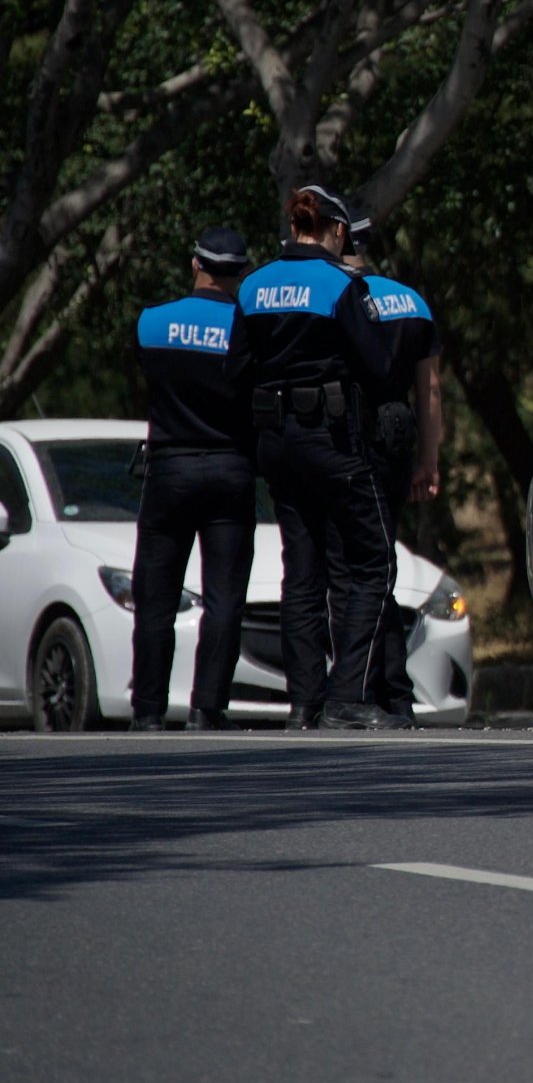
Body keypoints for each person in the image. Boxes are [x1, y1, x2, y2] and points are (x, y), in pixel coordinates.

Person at [226, 184, 403, 731]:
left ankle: (305, 702)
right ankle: (348, 694)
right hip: (336, 444)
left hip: (277, 447)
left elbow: (235, 372)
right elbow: (377, 368)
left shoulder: (252, 286)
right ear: (338, 231)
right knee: (374, 562)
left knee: (301, 575)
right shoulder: (338, 284)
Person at [129, 229, 257, 731]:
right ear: (239, 275)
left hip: (169, 470)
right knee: (224, 596)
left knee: (156, 595)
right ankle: (208, 708)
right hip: (231, 469)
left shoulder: (151, 322)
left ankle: (148, 711)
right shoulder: (247, 329)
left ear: (194, 265)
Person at [345, 215, 443, 724]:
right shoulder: (412, 300)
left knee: (359, 572)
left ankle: (378, 691)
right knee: (381, 566)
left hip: (350, 441)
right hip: (398, 437)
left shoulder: (337, 298)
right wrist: (429, 461)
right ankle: (393, 692)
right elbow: (429, 390)